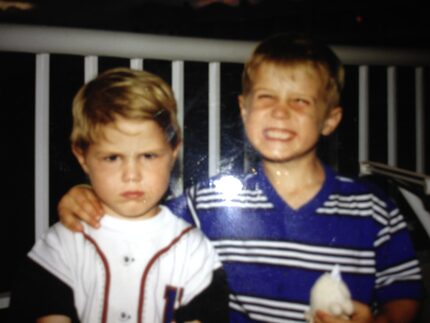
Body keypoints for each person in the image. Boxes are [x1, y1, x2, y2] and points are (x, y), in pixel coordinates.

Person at [56, 34, 423, 323]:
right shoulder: (211, 202)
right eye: (266, 98)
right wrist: (86, 194)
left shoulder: (373, 209)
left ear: (330, 119)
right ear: (244, 110)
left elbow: (404, 294)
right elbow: (138, 211)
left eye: (300, 101)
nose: (280, 112)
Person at [9, 68, 229, 323]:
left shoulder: (193, 251)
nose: (131, 175)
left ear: (173, 151)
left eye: (148, 156)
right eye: (112, 158)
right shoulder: (61, 246)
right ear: (83, 158)